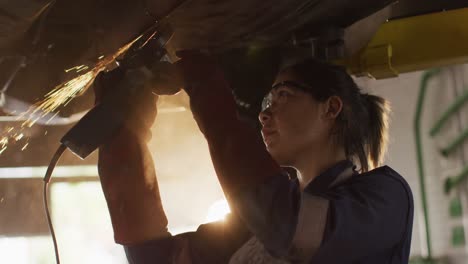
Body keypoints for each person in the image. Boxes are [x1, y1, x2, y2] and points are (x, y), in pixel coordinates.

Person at [96, 51, 414, 264]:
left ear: (330, 109)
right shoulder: (255, 230)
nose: (264, 114)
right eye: (267, 101)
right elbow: (160, 258)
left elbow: (290, 229)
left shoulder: (384, 199)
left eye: (283, 95)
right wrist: (122, 132)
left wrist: (205, 86)